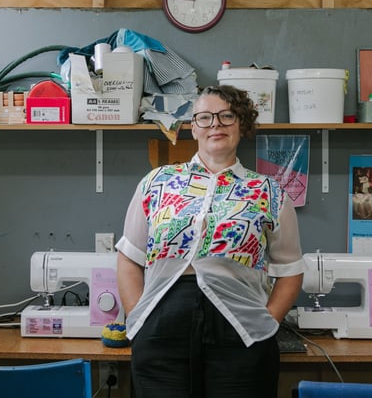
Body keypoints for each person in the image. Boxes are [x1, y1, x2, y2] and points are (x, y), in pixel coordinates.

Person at [115, 84, 304, 398]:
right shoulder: (157, 182)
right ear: (193, 127)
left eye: (226, 116)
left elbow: (290, 268)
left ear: (241, 125)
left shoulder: (269, 192)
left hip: (242, 332)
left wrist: (268, 321)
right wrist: (139, 316)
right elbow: (129, 257)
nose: (215, 124)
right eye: (205, 117)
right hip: (161, 328)